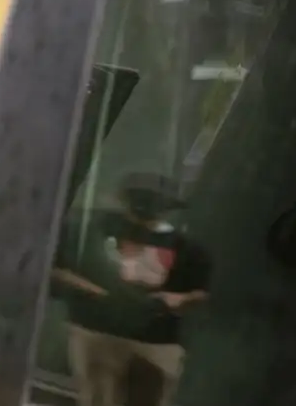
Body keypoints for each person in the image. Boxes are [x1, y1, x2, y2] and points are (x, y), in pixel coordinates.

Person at [51, 173, 211, 406]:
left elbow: (200, 293)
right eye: (141, 199)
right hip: (97, 333)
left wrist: (175, 299)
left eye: (155, 201)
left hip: (156, 343)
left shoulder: (187, 248)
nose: (146, 207)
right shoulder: (89, 226)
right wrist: (101, 295)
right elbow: (55, 270)